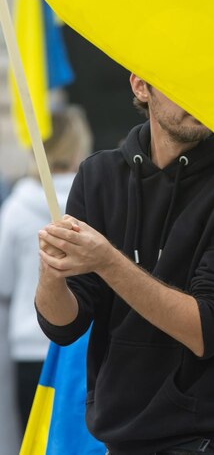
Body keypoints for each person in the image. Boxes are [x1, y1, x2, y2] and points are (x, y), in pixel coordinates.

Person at [35, 76, 214, 455]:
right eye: (182, 78)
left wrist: (107, 261)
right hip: (115, 438)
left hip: (204, 440)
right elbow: (64, 325)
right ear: (141, 87)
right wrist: (52, 274)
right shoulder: (99, 175)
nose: (200, 93)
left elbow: (207, 328)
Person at [0, 106, 92, 430]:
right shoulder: (96, 201)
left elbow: (4, 283)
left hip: (28, 345)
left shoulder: (16, 207)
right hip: (85, 344)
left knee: (37, 441)